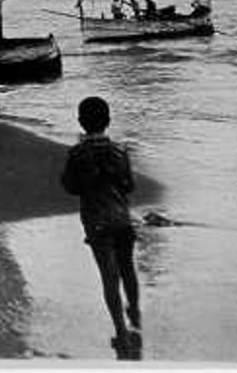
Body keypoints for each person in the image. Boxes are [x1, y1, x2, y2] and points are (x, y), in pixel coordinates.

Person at [61, 96, 141, 357]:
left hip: (96, 221)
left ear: (81, 122)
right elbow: (129, 185)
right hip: (121, 218)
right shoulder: (120, 150)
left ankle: (120, 330)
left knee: (109, 276)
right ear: (108, 121)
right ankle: (135, 310)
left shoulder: (77, 153)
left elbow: (70, 186)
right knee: (128, 267)